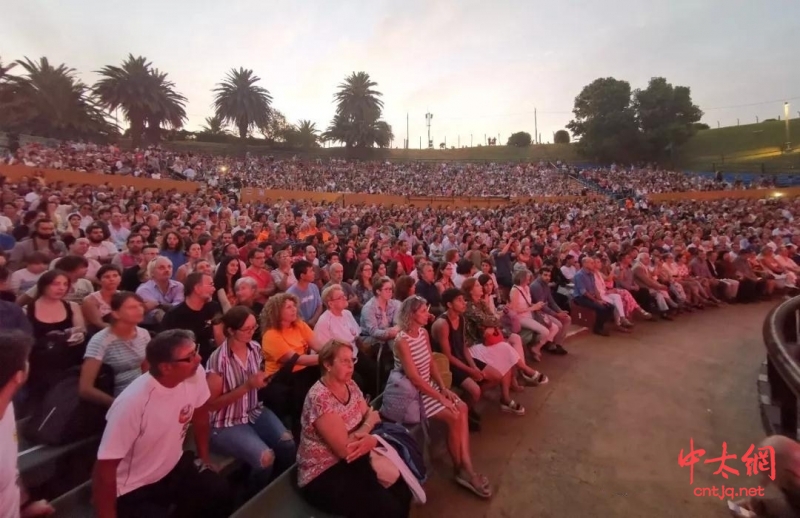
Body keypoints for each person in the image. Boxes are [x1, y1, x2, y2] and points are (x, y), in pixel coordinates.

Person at [91, 329, 233, 518]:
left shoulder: (195, 373)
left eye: (195, 351)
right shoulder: (132, 404)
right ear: (166, 367)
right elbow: (105, 467)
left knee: (219, 492)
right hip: (133, 486)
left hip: (171, 468)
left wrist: (204, 459)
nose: (199, 359)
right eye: (190, 357)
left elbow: (200, 415)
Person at [385, 296, 492, 498]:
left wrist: (444, 388)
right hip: (415, 394)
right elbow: (415, 379)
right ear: (411, 314)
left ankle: (465, 466)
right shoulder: (401, 340)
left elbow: (432, 363)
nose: (428, 314)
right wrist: (440, 397)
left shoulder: (423, 333)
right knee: (454, 415)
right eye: (423, 311)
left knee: (462, 408)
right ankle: (462, 470)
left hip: (431, 387)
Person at [298, 340, 412, 518]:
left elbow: (369, 414)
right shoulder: (319, 398)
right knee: (388, 508)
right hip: (324, 472)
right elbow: (346, 449)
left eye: (352, 360)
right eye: (344, 361)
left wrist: (367, 427)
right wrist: (367, 426)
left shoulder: (349, 384)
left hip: (355, 456)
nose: (350, 366)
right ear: (327, 364)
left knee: (403, 487)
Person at [205, 306, 296, 493]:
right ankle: (253, 494)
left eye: (254, 328)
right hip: (226, 421)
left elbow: (257, 376)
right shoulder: (218, 361)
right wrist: (247, 386)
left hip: (252, 409)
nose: (251, 332)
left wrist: (263, 380)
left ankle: (279, 486)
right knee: (265, 458)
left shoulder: (254, 348)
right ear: (230, 331)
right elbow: (211, 405)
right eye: (246, 329)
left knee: (287, 442)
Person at [0, 330, 55, 517]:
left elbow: (10, 470)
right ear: (18, 376)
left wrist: (22, 508)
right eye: (26, 359)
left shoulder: (6, 406)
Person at [259, 293, 324, 429]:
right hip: (283, 378)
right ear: (277, 312)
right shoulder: (271, 335)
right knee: (304, 397)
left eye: (294, 306)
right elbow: (296, 360)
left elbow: (319, 347)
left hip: (304, 371)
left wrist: (333, 351)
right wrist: (328, 357)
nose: (294, 309)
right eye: (288, 307)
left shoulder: (299, 325)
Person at [79, 292, 149, 407]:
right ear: (116, 314)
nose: (139, 310)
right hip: (115, 396)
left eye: (140, 306)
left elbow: (147, 370)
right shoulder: (100, 341)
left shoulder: (144, 334)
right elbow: (85, 389)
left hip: (140, 391)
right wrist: (118, 405)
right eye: (132, 307)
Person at [26, 269, 87, 400]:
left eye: (65, 284)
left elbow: (80, 329)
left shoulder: (72, 306)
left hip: (69, 362)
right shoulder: (27, 310)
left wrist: (79, 335)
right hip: (40, 364)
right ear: (43, 285)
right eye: (56, 284)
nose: (61, 288)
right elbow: (25, 341)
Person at [314, 285, 378, 397]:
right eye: (340, 297)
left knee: (374, 369)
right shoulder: (324, 322)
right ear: (330, 303)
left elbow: (356, 335)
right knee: (358, 381)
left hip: (354, 353)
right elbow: (324, 351)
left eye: (344, 295)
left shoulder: (347, 314)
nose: (345, 298)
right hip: (339, 360)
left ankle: (371, 401)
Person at [160, 272, 224, 363]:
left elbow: (219, 336)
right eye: (210, 285)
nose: (214, 289)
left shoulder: (214, 307)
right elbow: (165, 347)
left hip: (210, 358)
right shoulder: (173, 315)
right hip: (184, 362)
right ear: (197, 288)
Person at [508, 269, 558, 359]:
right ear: (522, 278)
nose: (529, 280)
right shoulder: (515, 290)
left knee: (554, 327)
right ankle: (535, 348)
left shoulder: (526, 287)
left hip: (531, 313)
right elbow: (514, 309)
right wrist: (532, 308)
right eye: (527, 278)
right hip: (521, 317)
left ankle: (536, 346)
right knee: (545, 332)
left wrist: (536, 305)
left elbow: (528, 303)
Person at [529, 268, 570, 355]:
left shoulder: (545, 285)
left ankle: (558, 344)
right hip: (538, 312)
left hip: (546, 310)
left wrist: (560, 311)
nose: (548, 278)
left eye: (549, 276)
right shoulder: (535, 286)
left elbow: (551, 301)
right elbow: (541, 306)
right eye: (545, 275)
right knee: (558, 324)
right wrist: (556, 314)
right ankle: (550, 345)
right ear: (539, 275)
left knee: (567, 318)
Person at [572, 257, 617, 336]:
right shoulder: (579, 275)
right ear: (585, 264)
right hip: (581, 298)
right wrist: (596, 301)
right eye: (591, 263)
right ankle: (597, 328)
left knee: (610, 307)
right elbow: (584, 292)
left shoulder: (591, 274)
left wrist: (599, 299)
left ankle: (601, 324)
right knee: (601, 308)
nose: (593, 265)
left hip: (591, 296)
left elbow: (595, 288)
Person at [135, 256, 184, 324]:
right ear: (151, 272)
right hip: (152, 327)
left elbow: (179, 307)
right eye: (161, 268)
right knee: (158, 313)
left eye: (169, 267)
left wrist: (159, 304)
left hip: (177, 320)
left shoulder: (178, 286)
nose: (167, 270)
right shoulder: (143, 290)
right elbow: (154, 312)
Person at [82, 264, 122, 333]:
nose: (112, 279)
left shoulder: (124, 296)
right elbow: (98, 324)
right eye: (107, 277)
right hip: (99, 333)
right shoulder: (90, 300)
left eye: (115, 276)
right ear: (99, 280)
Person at [287, 260, 323, 327]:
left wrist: (313, 321)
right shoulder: (290, 294)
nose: (314, 273)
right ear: (302, 276)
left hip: (315, 324)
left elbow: (319, 306)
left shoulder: (314, 287)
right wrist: (306, 324)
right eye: (311, 271)